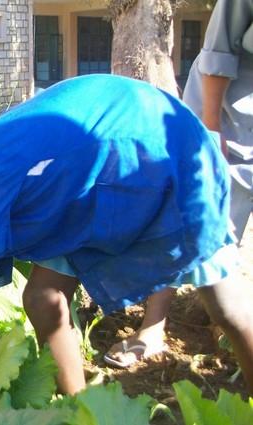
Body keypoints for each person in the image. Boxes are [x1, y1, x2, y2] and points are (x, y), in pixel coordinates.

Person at [0, 74, 253, 395]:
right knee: (42, 299)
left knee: (225, 304)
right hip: (106, 152)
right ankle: (81, 407)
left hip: (165, 147)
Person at [104, 0, 253, 369]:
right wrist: (211, 128)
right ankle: (154, 327)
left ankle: (231, 315)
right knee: (196, 218)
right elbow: (220, 51)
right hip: (227, 110)